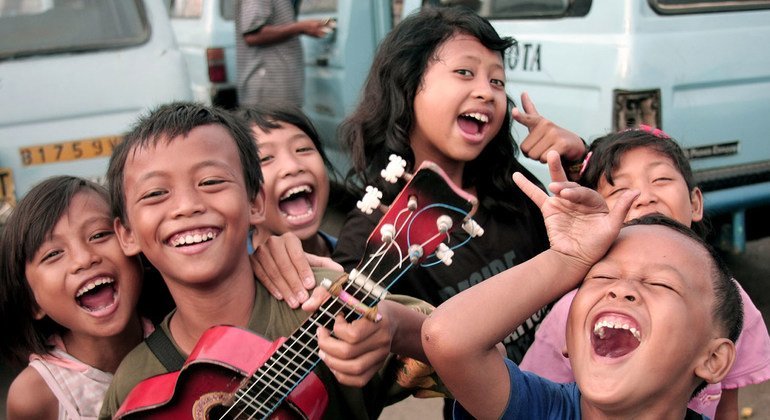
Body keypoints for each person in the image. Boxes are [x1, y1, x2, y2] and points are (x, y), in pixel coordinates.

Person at [98, 102, 433, 419]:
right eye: (156, 193)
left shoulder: (327, 304)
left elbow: (455, 347)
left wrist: (396, 327)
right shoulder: (132, 383)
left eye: (211, 182)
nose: (186, 206)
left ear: (255, 202)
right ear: (126, 233)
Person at [332, 5, 586, 365]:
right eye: (464, 72)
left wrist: (581, 161)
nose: (487, 92)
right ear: (407, 86)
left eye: (497, 81)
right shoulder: (375, 228)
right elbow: (346, 326)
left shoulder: (513, 185)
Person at [422, 158, 744, 419]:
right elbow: (448, 338)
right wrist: (566, 260)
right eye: (602, 277)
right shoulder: (541, 410)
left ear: (714, 359)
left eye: (660, 283)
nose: (621, 290)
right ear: (568, 338)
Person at [519, 127, 770, 419]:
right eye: (619, 190)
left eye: (661, 180)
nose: (643, 196)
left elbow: (727, 406)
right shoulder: (576, 309)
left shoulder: (729, 303)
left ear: (695, 203)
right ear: (595, 216)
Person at [0, 176, 162, 419]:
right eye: (53, 254)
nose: (84, 259)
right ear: (32, 301)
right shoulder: (35, 396)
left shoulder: (183, 337)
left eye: (99, 235)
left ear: (132, 241)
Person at [238, 104, 336, 258]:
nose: (292, 167)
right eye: (265, 158)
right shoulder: (236, 271)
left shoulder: (358, 254)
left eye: (302, 149)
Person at [235, 0, 331, 108]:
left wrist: (303, 28)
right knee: (270, 118)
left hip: (281, 89)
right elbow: (252, 36)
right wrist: (301, 27)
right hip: (266, 90)